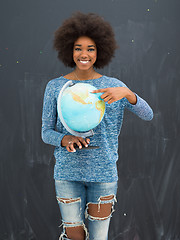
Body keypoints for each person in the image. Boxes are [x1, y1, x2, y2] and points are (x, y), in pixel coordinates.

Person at [41, 12, 153, 240]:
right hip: (67, 174)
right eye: (78, 48)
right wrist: (64, 139)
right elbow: (45, 132)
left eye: (90, 48)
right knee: (73, 236)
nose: (84, 54)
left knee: (99, 238)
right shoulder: (55, 87)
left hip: (104, 175)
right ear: (69, 51)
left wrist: (129, 94)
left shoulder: (114, 86)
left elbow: (148, 115)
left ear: (100, 51)